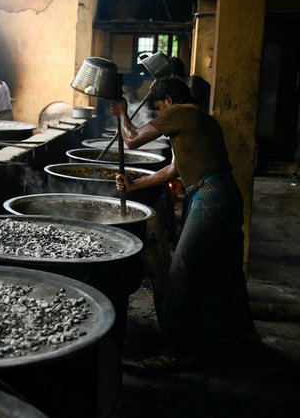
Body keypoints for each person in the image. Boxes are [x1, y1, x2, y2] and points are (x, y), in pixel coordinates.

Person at [111, 76, 259, 370]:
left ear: (168, 101)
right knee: (226, 269)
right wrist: (134, 185)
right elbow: (172, 170)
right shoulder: (201, 121)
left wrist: (122, 113)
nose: (158, 117)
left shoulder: (180, 112)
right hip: (225, 193)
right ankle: (240, 335)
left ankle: (175, 351)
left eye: (157, 109)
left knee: (182, 271)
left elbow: (131, 139)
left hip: (210, 196)